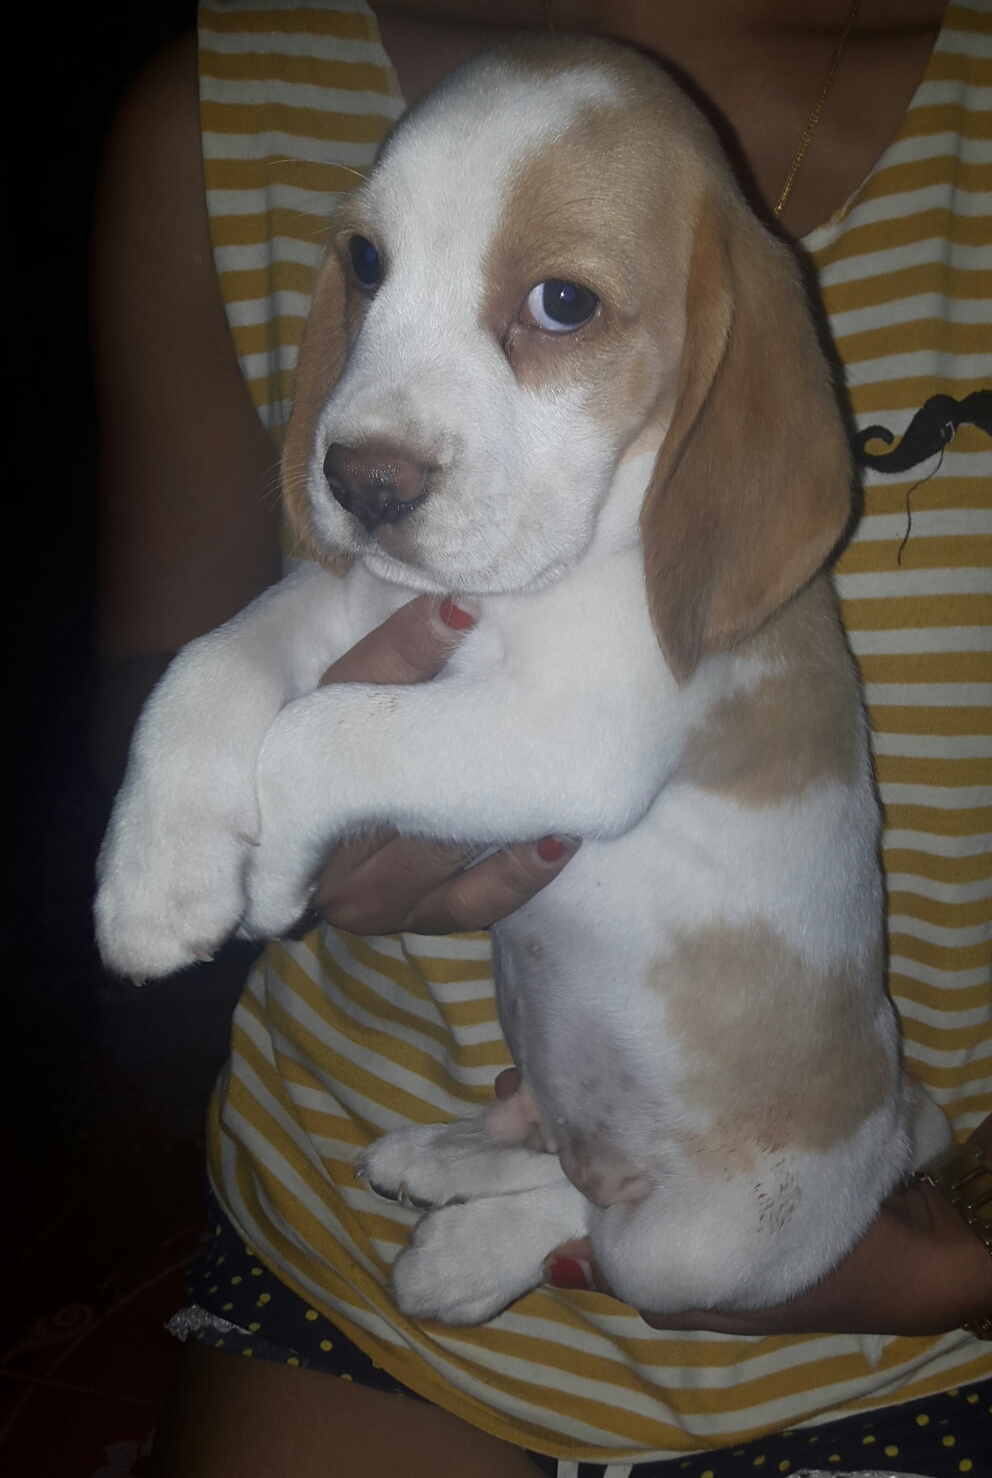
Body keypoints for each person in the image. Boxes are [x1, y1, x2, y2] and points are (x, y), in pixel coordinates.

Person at [90, 1, 992, 1473]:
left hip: (836, 1231)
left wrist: (976, 1248)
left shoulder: (680, 501)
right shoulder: (229, 95)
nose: (377, 434)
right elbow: (292, 612)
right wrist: (196, 744)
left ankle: (564, 1215)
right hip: (341, 1225)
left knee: (671, 1256)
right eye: (372, 265)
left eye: (563, 302)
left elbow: (586, 763)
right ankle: (547, 1165)